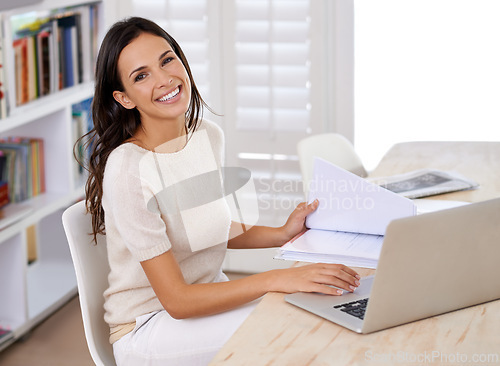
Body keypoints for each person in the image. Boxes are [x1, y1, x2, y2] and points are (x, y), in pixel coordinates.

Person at [81, 17, 360, 366]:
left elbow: (202, 228)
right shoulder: (128, 170)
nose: (164, 78)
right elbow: (178, 302)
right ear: (123, 98)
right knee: (293, 322)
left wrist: (281, 234)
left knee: (320, 307)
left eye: (167, 60)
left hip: (209, 298)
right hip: (150, 326)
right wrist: (279, 279)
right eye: (142, 75)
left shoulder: (207, 136)